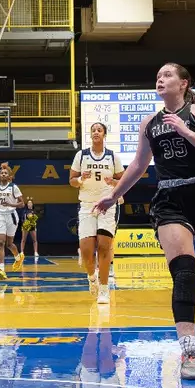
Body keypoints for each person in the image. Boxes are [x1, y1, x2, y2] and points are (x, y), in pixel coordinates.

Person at [95, 63, 195, 382]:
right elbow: (139, 164)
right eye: (157, 75)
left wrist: (186, 132)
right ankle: (189, 352)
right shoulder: (150, 123)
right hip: (170, 199)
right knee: (184, 273)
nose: (160, 79)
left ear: (184, 83)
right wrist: (114, 195)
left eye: (168, 75)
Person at [72, 121, 124, 301]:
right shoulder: (81, 155)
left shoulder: (112, 157)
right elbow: (71, 181)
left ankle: (104, 288)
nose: (96, 132)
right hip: (86, 206)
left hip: (106, 206)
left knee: (104, 246)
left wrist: (114, 183)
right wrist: (79, 179)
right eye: (93, 130)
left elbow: (123, 182)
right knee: (86, 251)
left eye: (99, 130)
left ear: (104, 134)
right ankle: (91, 277)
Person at [0, 163, 25, 278]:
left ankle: (18, 258)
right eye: (2, 173)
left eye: (5, 173)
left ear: (9, 176)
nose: (3, 174)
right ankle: (1, 270)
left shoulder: (13, 187)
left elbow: (22, 203)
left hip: (11, 216)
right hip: (0, 216)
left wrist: (10, 203)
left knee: (9, 244)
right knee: (0, 242)